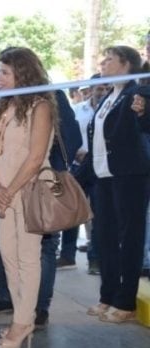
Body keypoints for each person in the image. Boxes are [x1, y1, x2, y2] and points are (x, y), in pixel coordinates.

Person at [0, 47, 57, 348]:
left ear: (22, 73)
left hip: (29, 191)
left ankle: (23, 322)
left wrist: (9, 190)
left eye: (4, 72)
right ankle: (21, 317)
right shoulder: (2, 105)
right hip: (3, 191)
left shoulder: (40, 106)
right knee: (8, 257)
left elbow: (35, 157)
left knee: (28, 258)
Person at [84, 45, 149, 324]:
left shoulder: (138, 93)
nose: (103, 63)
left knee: (130, 239)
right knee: (105, 238)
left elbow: (144, 121)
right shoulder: (106, 97)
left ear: (126, 65)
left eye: (109, 59)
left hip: (130, 177)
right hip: (103, 178)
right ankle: (107, 295)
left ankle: (126, 300)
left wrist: (143, 111)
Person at [59, 74, 109, 274]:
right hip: (78, 167)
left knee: (98, 214)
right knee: (72, 210)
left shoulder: (111, 110)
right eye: (99, 88)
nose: (102, 91)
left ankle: (95, 259)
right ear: (90, 89)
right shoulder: (78, 110)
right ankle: (67, 255)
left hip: (101, 168)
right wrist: (75, 152)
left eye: (106, 88)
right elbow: (69, 134)